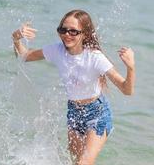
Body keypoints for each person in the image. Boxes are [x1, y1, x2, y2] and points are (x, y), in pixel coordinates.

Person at [11, 9, 135, 165]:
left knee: (83, 163)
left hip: (97, 113)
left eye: (73, 31)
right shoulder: (57, 50)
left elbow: (127, 90)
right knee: (75, 161)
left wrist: (131, 67)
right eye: (63, 30)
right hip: (74, 113)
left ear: (85, 34)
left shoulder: (95, 57)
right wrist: (16, 38)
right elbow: (24, 56)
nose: (66, 35)